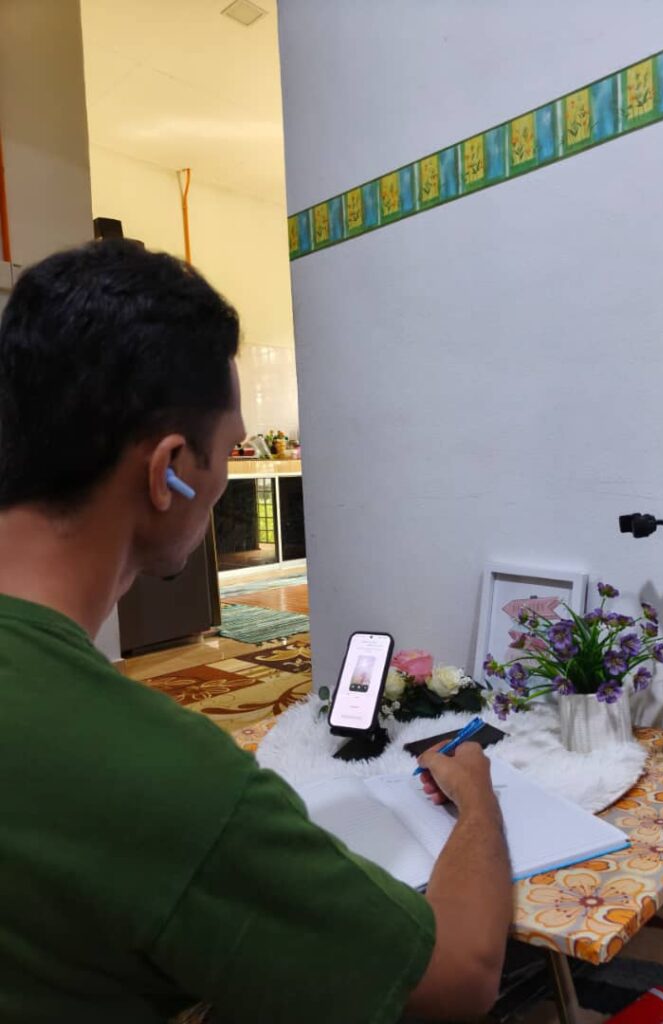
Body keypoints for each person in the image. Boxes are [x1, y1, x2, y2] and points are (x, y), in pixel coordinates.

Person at [0, 240, 511, 1023]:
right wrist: (477, 802)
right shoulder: (163, 776)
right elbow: (458, 979)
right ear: (171, 470)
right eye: (231, 447)